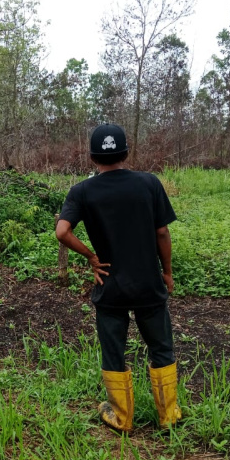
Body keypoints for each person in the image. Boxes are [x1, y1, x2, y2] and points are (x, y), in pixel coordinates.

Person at [55, 123, 180, 432]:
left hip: (109, 284)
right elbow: (162, 232)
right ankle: (168, 416)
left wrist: (91, 257)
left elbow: (62, 231)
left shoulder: (82, 190)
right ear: (127, 151)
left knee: (114, 350)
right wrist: (166, 272)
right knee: (161, 347)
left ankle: (121, 417)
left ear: (92, 157)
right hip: (148, 282)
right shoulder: (149, 183)